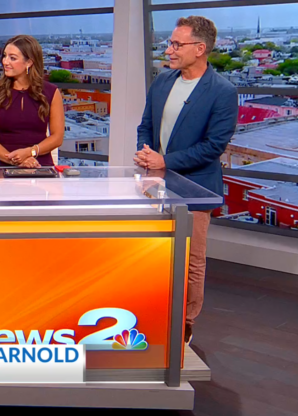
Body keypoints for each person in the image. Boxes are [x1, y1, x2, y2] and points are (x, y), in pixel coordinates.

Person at [135, 16, 238, 344]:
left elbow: (213, 147)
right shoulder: (162, 82)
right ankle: (153, 312)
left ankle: (185, 323)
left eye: (177, 44)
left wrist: (165, 161)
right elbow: (145, 125)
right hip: (155, 183)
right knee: (154, 252)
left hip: (196, 188)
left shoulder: (223, 92)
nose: (169, 50)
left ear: (200, 48)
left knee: (191, 259)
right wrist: (147, 154)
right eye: (170, 43)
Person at [0, 35, 65, 168]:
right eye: (5, 56)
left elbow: (57, 137)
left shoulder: (51, 93)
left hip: (40, 165)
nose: (5, 62)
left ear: (29, 62)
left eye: (12, 58)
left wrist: (30, 152)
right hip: (5, 165)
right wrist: (14, 160)